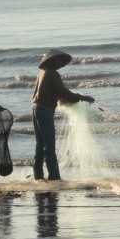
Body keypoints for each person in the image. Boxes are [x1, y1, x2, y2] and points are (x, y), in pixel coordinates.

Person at [31, 49, 95, 180]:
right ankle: (54, 177)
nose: (62, 64)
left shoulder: (42, 72)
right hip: (44, 111)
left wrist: (73, 98)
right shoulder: (52, 74)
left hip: (36, 108)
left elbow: (55, 93)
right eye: (60, 61)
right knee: (49, 145)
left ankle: (38, 176)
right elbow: (63, 93)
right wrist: (82, 97)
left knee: (40, 145)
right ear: (52, 60)